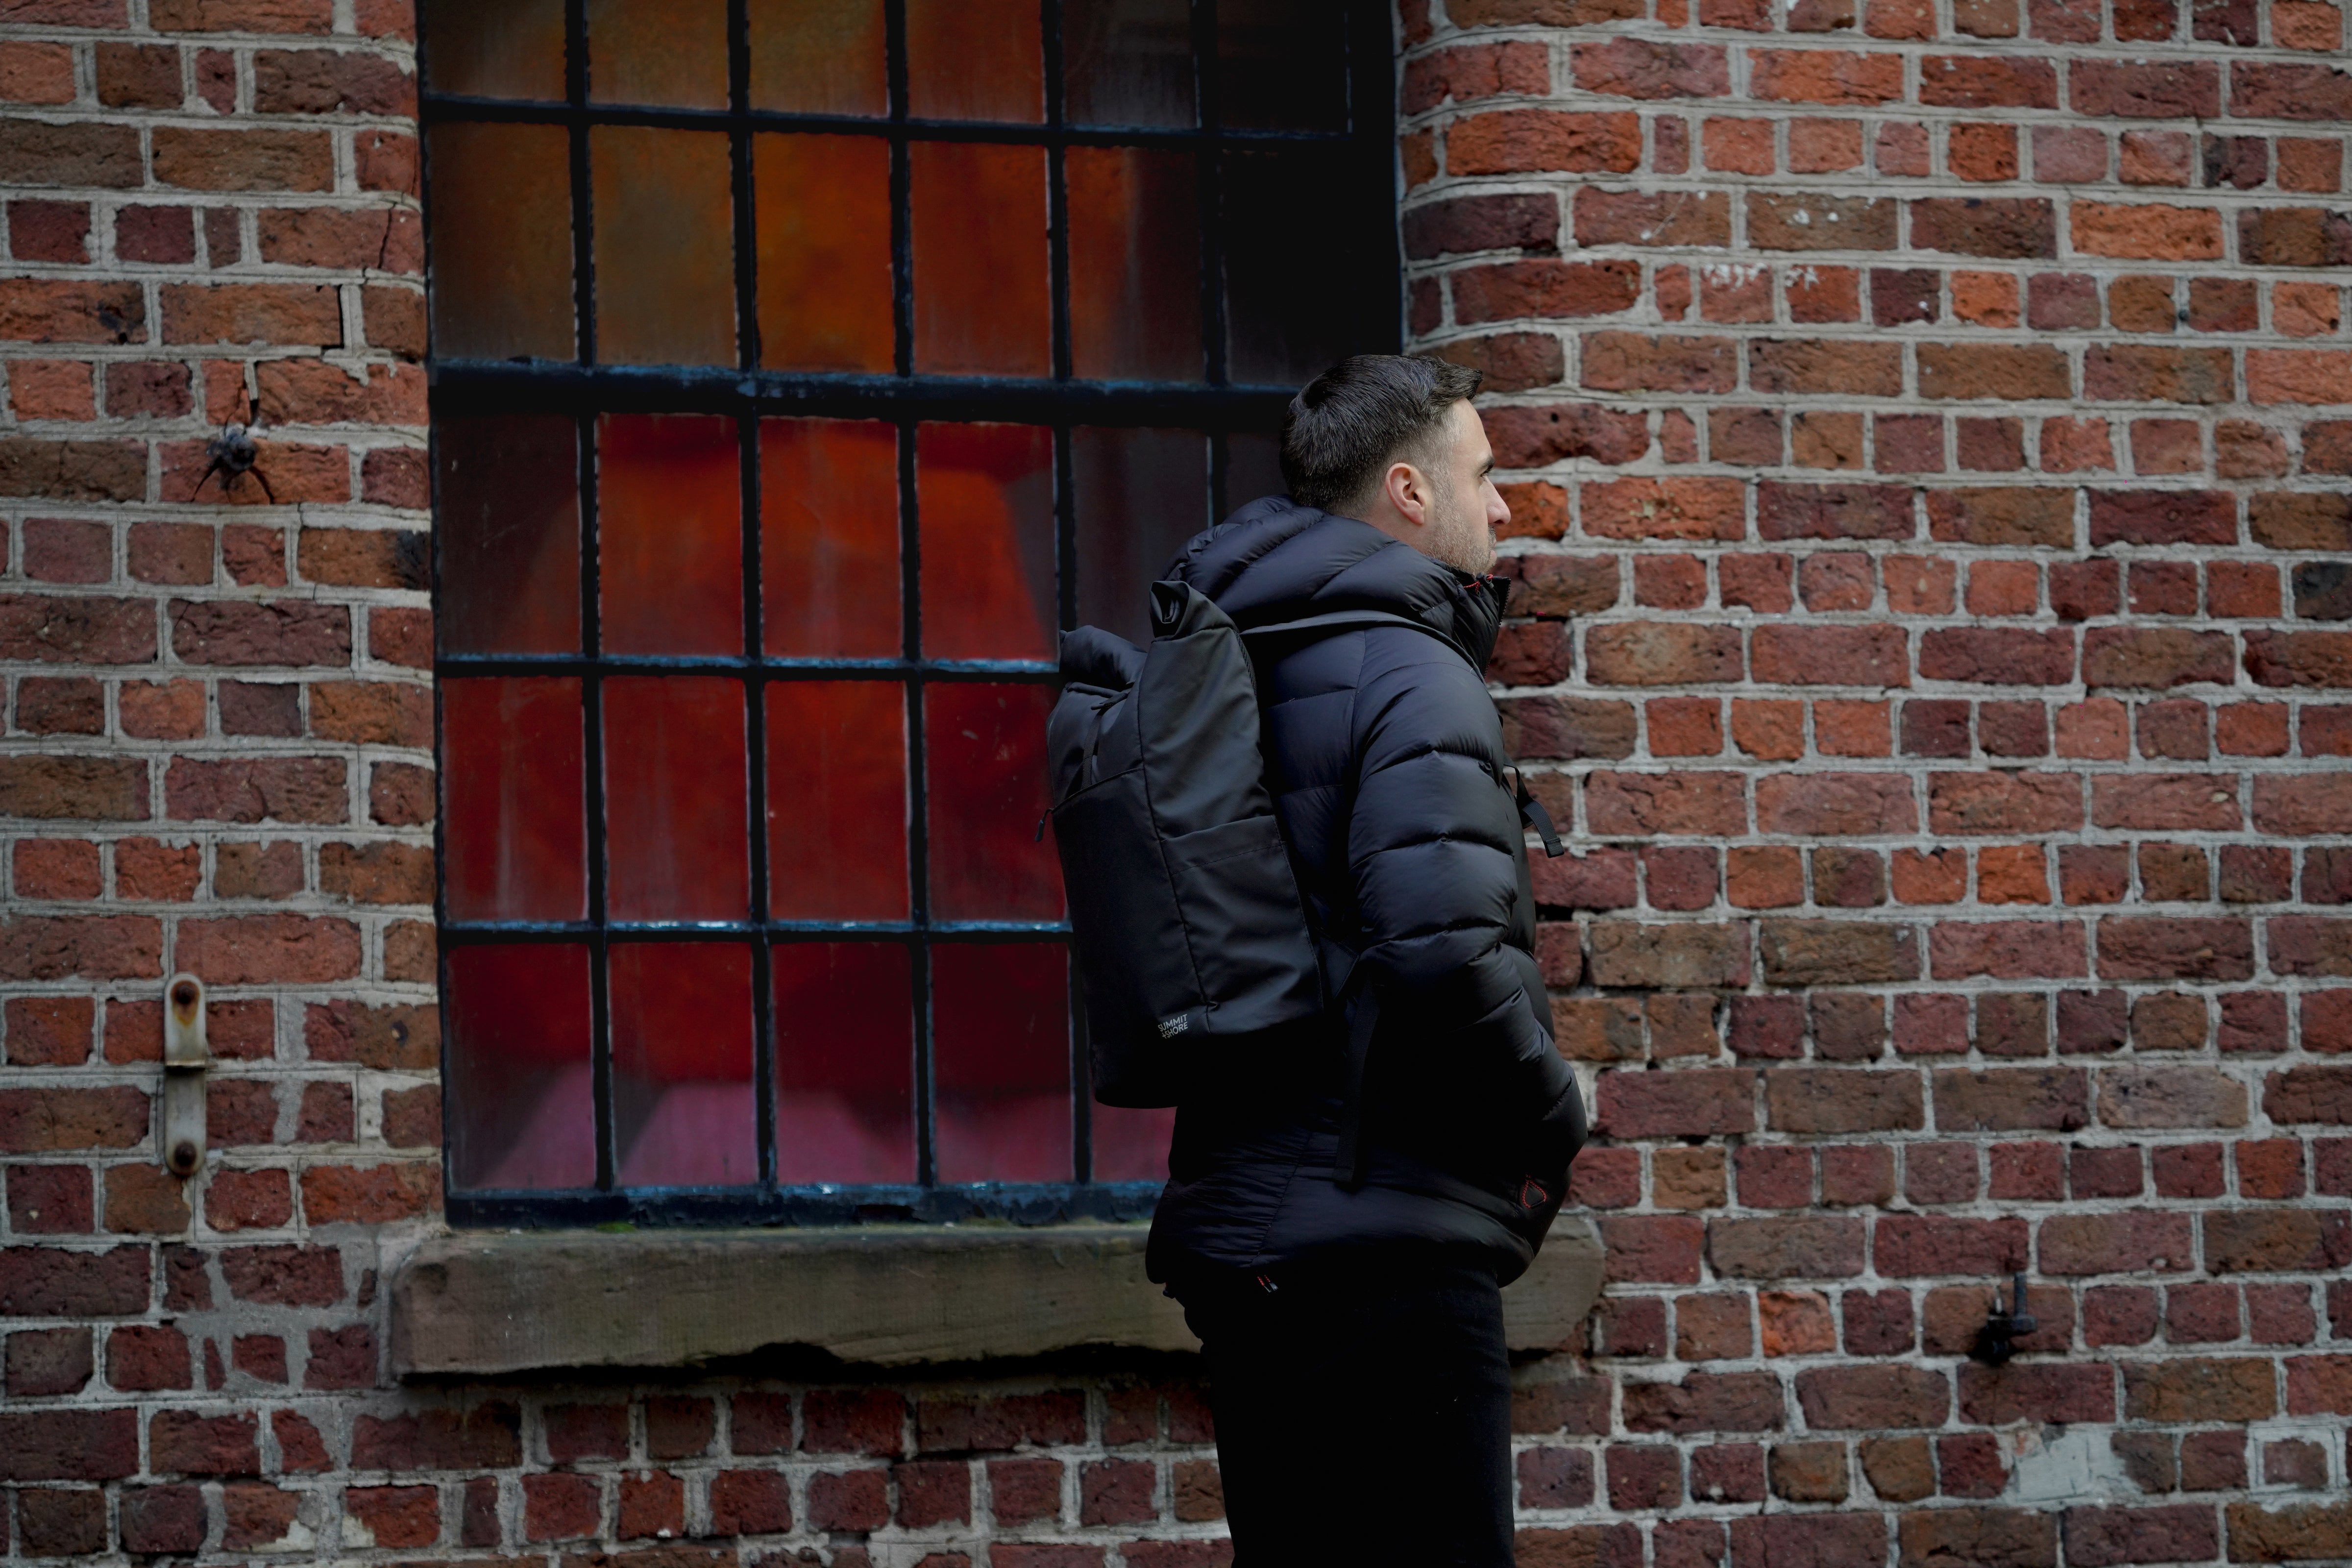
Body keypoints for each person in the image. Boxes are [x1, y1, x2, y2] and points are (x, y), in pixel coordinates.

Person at [1147, 354, 1588, 1565]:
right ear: (1407, 489)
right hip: (1384, 1253)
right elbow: (1444, 950)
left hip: (1257, 1252)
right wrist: (1560, 1106)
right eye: (1484, 474)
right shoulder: (1411, 669)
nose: (1503, 507)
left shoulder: (1243, 659)